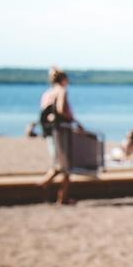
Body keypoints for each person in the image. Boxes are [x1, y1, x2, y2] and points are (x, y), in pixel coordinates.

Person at [35, 67, 85, 205]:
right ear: (64, 79)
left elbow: (45, 113)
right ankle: (60, 195)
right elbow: (61, 109)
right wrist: (74, 121)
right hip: (62, 131)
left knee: (59, 163)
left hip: (50, 131)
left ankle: (53, 190)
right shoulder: (61, 91)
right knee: (66, 166)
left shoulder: (47, 94)